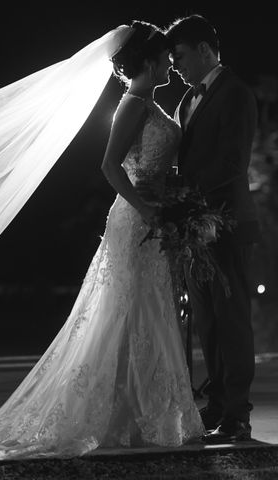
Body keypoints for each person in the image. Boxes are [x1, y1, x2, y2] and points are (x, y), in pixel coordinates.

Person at [0, 21, 204, 459]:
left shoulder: (151, 104)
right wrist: (147, 208)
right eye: (165, 56)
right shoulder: (131, 104)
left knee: (148, 313)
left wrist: (170, 199)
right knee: (122, 311)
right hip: (136, 219)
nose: (170, 62)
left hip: (155, 217)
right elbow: (109, 167)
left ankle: (138, 414)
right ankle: (119, 414)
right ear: (148, 60)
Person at [165, 14, 259, 444]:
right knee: (207, 322)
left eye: (180, 56)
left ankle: (238, 411)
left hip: (227, 222)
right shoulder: (186, 102)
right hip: (194, 229)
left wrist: (187, 200)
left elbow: (231, 162)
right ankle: (217, 402)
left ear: (205, 49)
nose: (176, 66)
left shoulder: (236, 93)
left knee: (233, 318)